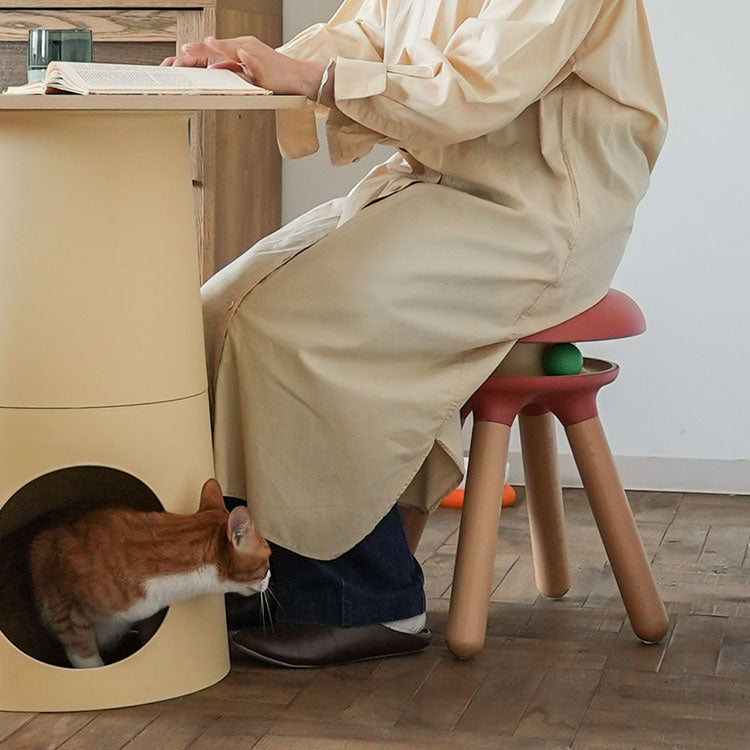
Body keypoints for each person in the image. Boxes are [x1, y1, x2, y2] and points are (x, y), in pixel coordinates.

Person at [163, 0, 667, 668]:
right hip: (436, 186)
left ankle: (367, 597)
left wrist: (307, 76)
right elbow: (367, 33)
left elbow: (472, 87)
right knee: (214, 310)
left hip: (536, 216)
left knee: (290, 328)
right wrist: (249, 65)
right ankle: (259, 576)